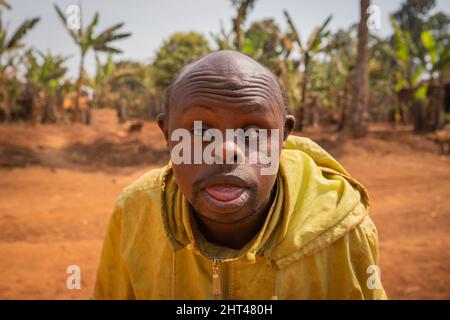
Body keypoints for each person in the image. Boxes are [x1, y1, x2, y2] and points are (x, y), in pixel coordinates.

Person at [93, 50, 387, 299]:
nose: (226, 150)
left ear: (283, 136)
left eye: (254, 131)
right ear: (168, 134)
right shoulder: (135, 213)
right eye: (199, 130)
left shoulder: (341, 228)